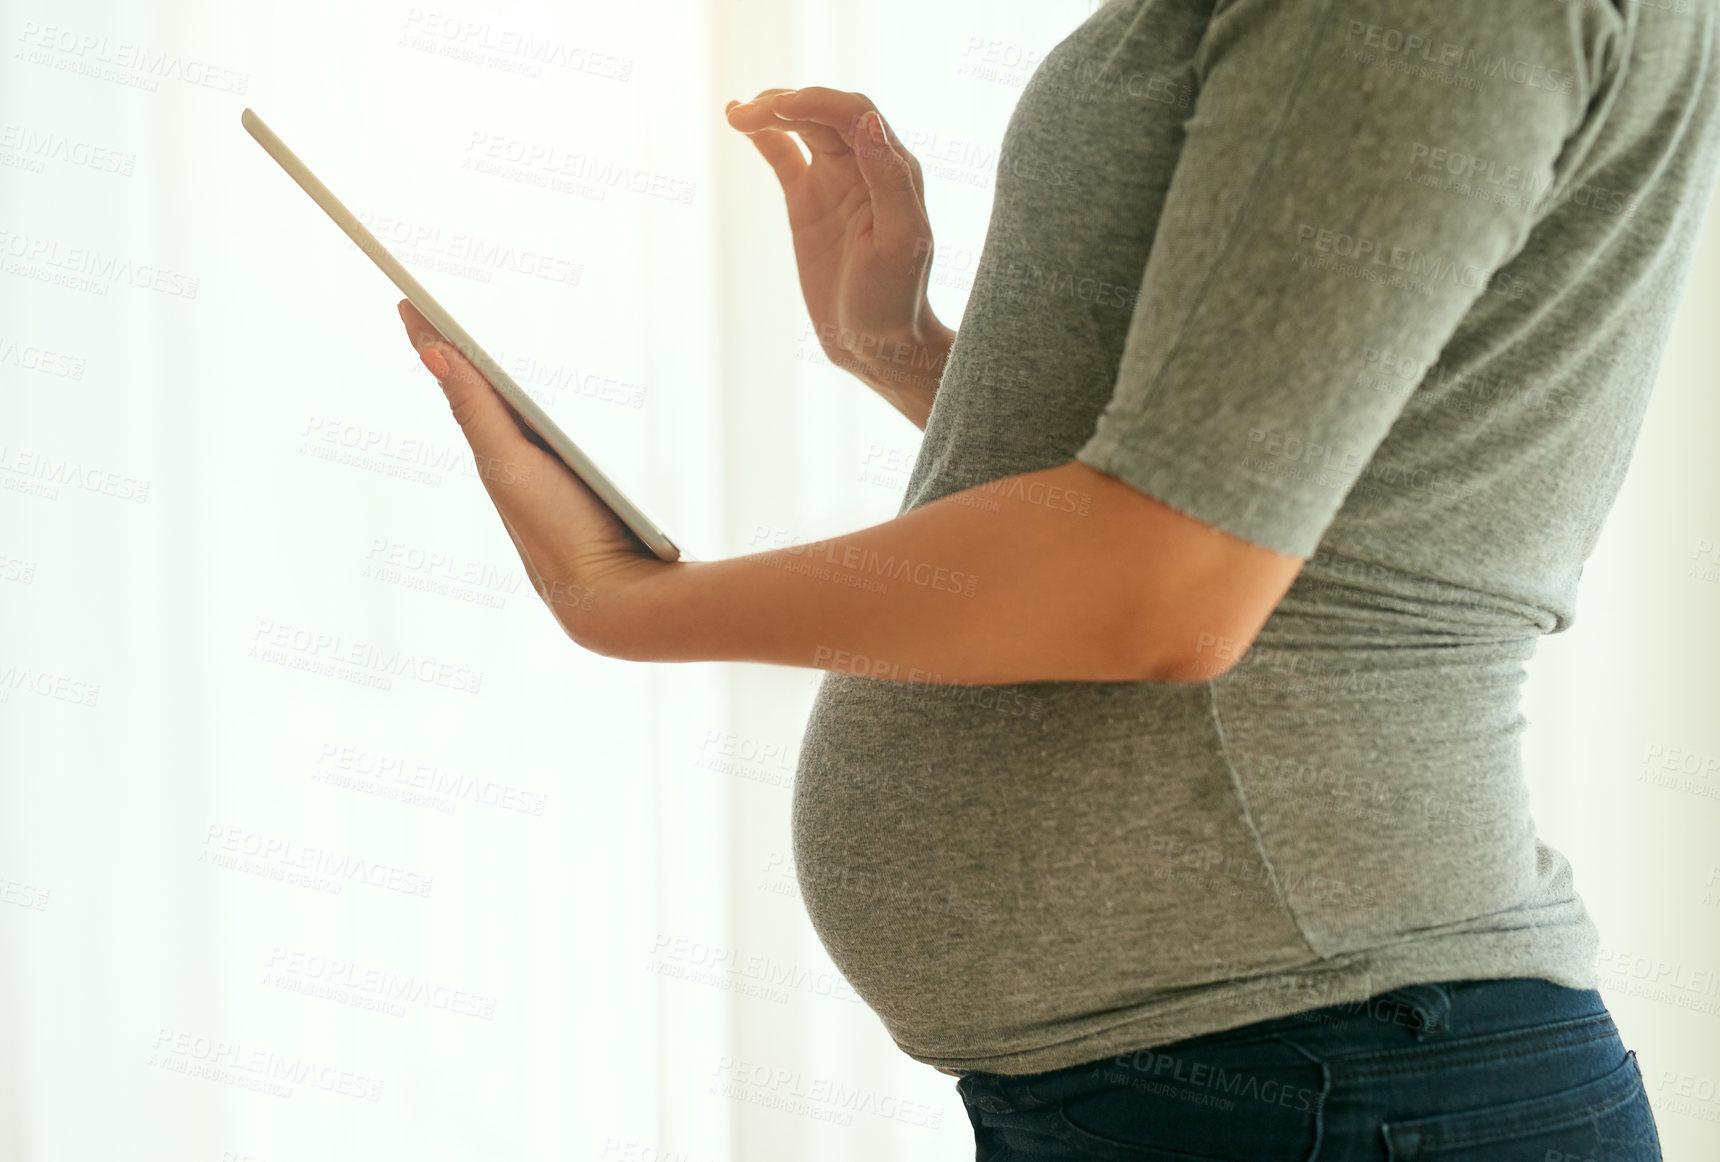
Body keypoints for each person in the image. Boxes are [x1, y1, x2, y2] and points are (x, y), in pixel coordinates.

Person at [396, 0, 1720, 1156]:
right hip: (1276, 1072)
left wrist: (629, 605)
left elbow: (1175, 585)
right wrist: (905, 352)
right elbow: (1278, 501)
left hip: (1327, 1074)